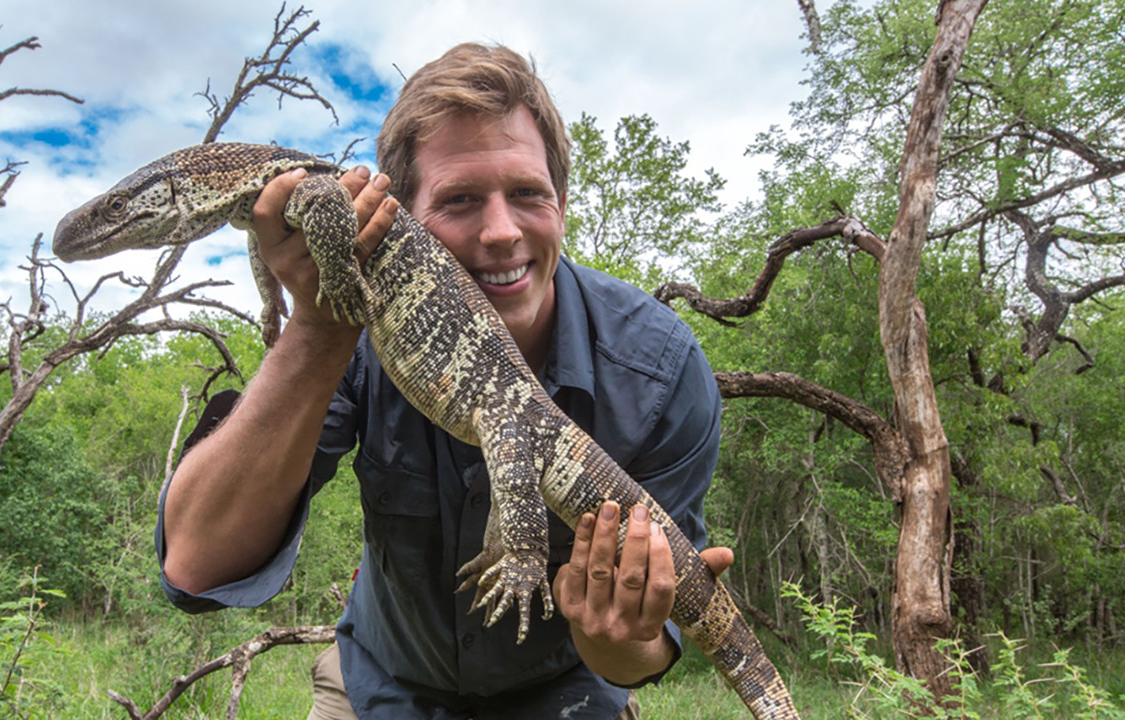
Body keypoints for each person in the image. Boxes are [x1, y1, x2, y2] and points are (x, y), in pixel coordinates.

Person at [155, 43, 731, 719]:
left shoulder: (659, 365)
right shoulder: (350, 317)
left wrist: (620, 633)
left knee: (513, 422)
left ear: (563, 202)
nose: (500, 232)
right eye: (459, 199)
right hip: (379, 685)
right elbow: (197, 565)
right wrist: (313, 324)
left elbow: (647, 647)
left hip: (567, 697)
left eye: (526, 194)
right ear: (398, 210)